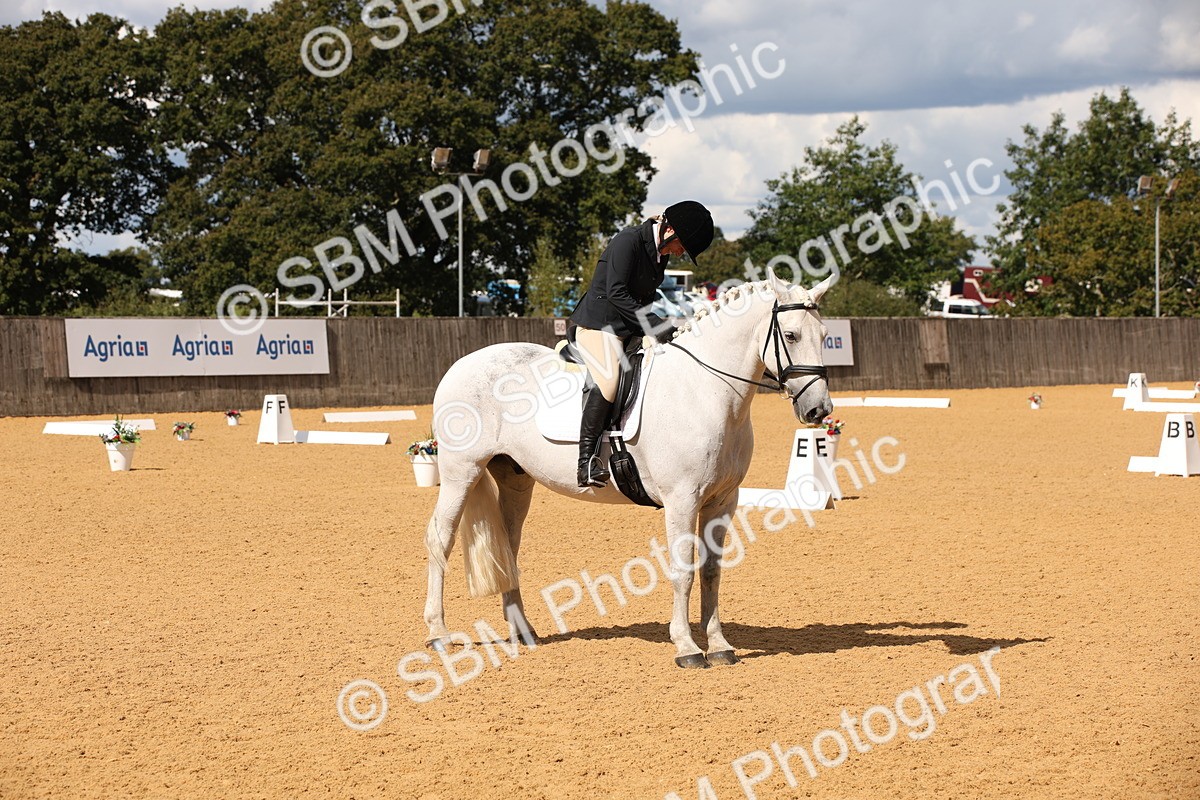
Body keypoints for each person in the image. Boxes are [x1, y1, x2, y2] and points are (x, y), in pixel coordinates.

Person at [568, 200, 714, 487]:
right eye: (681, 245)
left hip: (628, 330)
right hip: (598, 325)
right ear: (669, 229)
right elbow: (617, 293)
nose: (680, 252)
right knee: (610, 380)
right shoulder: (628, 240)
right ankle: (586, 461)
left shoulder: (660, 255)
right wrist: (653, 324)